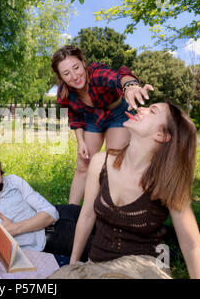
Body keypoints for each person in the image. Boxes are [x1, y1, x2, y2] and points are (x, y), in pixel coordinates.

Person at [61, 102, 200, 279]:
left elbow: (192, 245)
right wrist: (73, 264)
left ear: (161, 135)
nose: (141, 108)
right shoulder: (100, 162)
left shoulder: (166, 181)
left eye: (152, 111)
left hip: (143, 269)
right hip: (96, 266)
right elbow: (86, 216)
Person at [51, 45, 154, 205]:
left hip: (117, 115)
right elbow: (74, 115)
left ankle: (105, 211)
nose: (74, 76)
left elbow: (118, 78)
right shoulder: (65, 92)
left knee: (110, 166)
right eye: (66, 73)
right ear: (61, 77)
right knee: (83, 165)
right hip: (92, 118)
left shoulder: (98, 74)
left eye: (76, 67)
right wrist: (81, 142)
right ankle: (70, 213)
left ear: (83, 62)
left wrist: (130, 86)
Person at [0, 147, 93, 263]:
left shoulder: (13, 181)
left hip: (62, 212)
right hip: (53, 236)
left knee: (103, 219)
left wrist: (14, 229)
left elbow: (51, 212)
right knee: (105, 250)